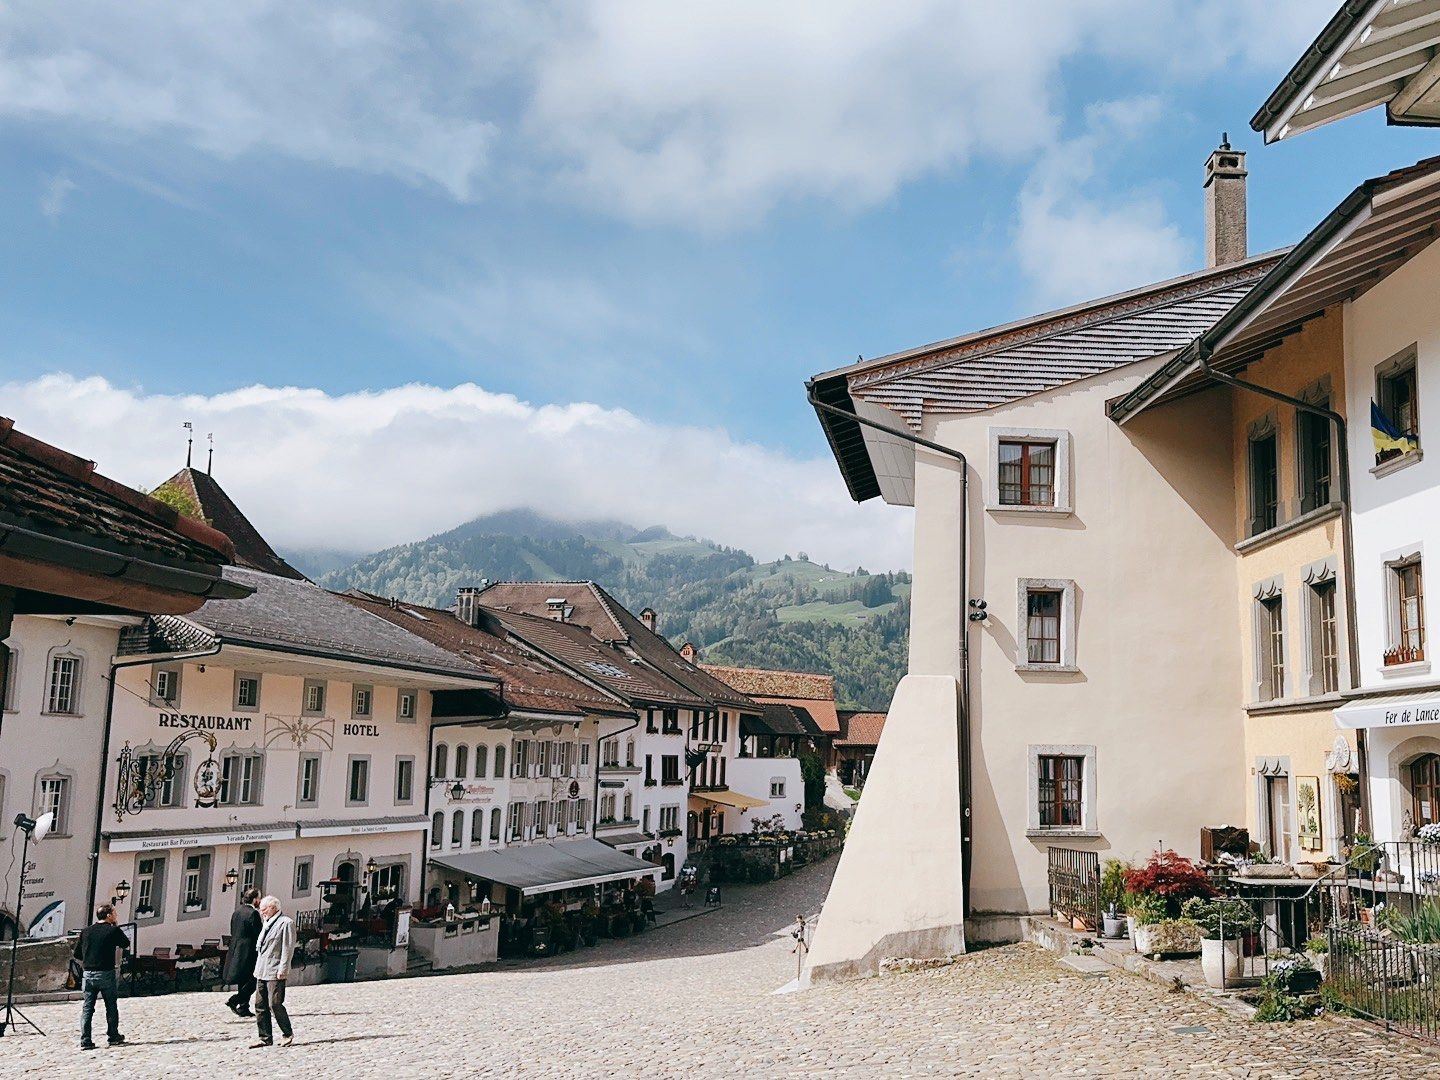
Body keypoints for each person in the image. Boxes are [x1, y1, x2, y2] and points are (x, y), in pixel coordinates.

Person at [73, 902, 129, 1050]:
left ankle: (85, 1040)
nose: (116, 915)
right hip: (105, 973)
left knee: (87, 1008)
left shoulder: (86, 931)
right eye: (114, 913)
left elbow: (77, 953)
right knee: (110, 1005)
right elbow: (126, 943)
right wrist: (115, 927)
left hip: (88, 974)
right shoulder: (112, 931)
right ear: (109, 915)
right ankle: (113, 1035)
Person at [250, 895, 297, 1048]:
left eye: (264, 909)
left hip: (275, 969)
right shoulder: (267, 923)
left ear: (273, 908)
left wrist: (283, 969)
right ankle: (265, 1037)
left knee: (275, 1003)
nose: (262, 912)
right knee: (259, 1004)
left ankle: (287, 1033)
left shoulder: (286, 923)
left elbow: (287, 948)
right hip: (262, 969)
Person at [223, 887, 262, 1017]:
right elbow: (258, 933)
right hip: (249, 950)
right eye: (259, 898)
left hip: (236, 949)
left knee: (244, 979)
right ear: (255, 899)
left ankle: (243, 1007)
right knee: (254, 979)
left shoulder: (237, 912)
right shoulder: (253, 913)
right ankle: (236, 1000)